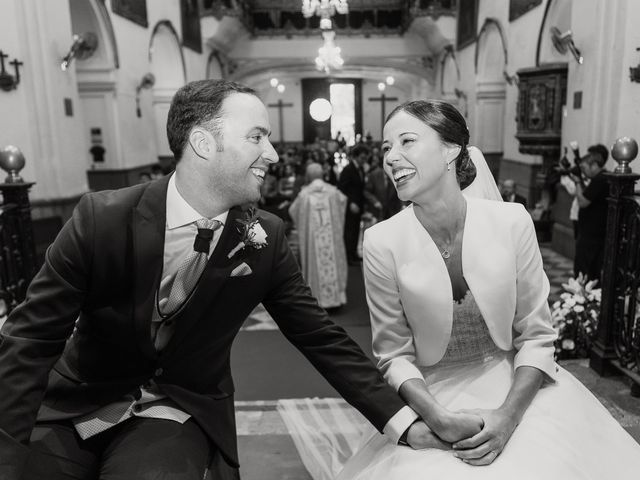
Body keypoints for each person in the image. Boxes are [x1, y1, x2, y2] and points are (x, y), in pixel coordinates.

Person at [0, 80, 436, 480]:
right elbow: (30, 340)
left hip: (175, 409)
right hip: (78, 403)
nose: (273, 153)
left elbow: (321, 338)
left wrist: (404, 423)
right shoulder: (103, 219)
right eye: (256, 137)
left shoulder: (265, 237)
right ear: (203, 143)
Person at [280, 100, 640, 479]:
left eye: (407, 141)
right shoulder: (381, 241)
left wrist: (507, 418)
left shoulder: (512, 222)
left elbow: (536, 335)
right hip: (436, 392)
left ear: (451, 150)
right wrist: (440, 419)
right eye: (387, 148)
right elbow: (393, 354)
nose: (391, 158)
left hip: (516, 386)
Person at [289, 163, 348, 309]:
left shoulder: (304, 194)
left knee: (316, 261)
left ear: (308, 176)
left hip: (313, 239)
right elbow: (343, 201)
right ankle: (336, 299)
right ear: (322, 175)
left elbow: (292, 210)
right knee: (332, 259)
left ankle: (319, 299)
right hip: (331, 238)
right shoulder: (333, 192)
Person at [569, 144, 609, 281]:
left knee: (585, 271)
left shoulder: (600, 179)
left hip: (591, 237)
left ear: (594, 165)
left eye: (584, 167)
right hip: (592, 234)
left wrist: (577, 181)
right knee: (589, 270)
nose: (583, 172)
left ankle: (582, 298)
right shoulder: (600, 178)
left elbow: (583, 202)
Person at [338, 144, 369, 264]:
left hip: (359, 205)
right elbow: (341, 189)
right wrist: (351, 203)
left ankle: (354, 254)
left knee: (356, 230)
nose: (364, 160)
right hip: (350, 206)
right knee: (350, 231)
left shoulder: (360, 169)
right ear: (355, 157)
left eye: (365, 158)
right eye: (362, 158)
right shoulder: (348, 170)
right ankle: (348, 256)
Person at [364, 154, 404, 221]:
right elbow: (366, 191)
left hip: (393, 213)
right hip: (377, 213)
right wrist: (375, 202)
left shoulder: (397, 174)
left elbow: (400, 191)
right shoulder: (374, 175)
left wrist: (402, 206)